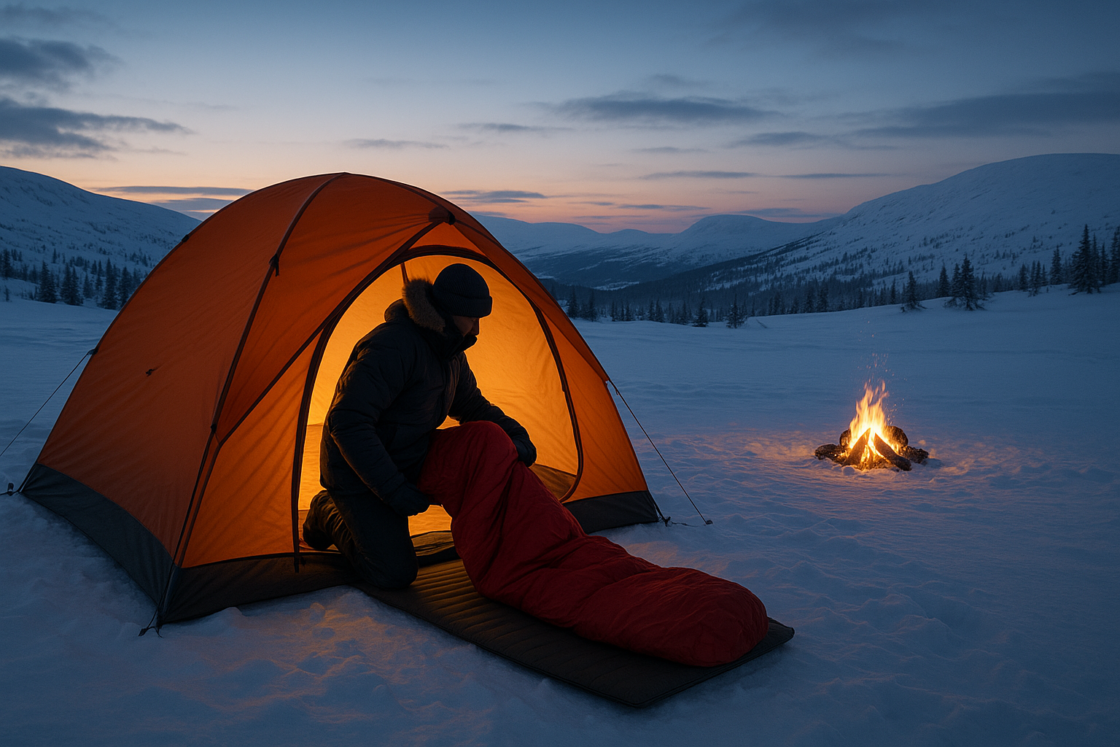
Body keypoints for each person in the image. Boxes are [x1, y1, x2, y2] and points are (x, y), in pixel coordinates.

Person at [302, 263, 536, 588]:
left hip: (408, 457)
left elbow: (470, 405)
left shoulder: (450, 351)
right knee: (393, 572)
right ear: (450, 311)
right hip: (356, 471)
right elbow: (348, 422)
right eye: (473, 318)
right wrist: (394, 489)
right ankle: (326, 510)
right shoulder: (393, 346)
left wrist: (514, 435)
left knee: (486, 456)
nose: (477, 329)